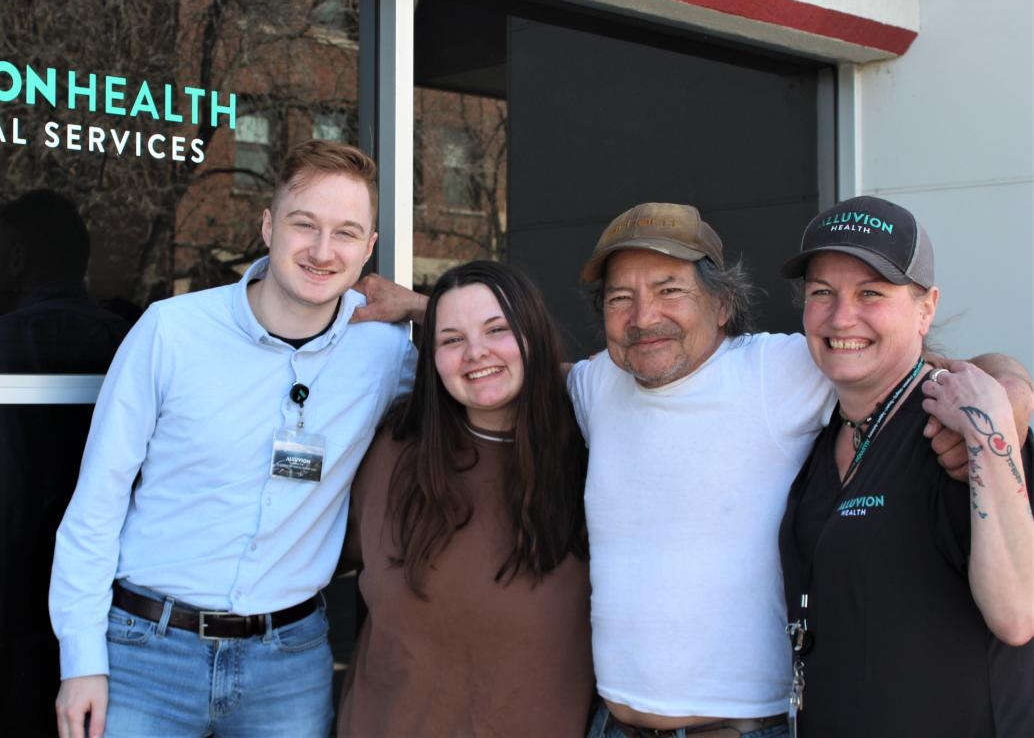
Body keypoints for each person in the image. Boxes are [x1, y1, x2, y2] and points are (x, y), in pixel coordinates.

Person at [353, 201, 1033, 738]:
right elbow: (513, 359)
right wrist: (425, 308)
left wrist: (1008, 390)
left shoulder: (778, 369)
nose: (644, 317)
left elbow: (900, 356)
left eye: (670, 288)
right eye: (621, 298)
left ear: (721, 303)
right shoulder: (596, 386)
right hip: (612, 725)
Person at [49, 140, 416, 738]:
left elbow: (503, 364)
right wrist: (81, 660)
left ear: (369, 248)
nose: (323, 251)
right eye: (305, 225)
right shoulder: (172, 331)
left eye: (346, 233)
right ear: (268, 225)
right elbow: (97, 502)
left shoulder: (386, 351)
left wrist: (421, 306)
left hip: (289, 664)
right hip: (147, 654)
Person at [777, 195, 1034, 736]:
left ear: (926, 308)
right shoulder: (823, 434)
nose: (842, 316)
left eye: (871, 293)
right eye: (822, 292)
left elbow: (1017, 617)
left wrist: (993, 430)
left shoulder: (965, 430)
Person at [336, 260, 593, 737]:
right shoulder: (392, 450)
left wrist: (419, 305)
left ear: (533, 335)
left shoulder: (591, 448)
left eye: (497, 329)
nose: (476, 352)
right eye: (451, 339)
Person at [0, 189, 131, 738]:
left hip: (23, 615)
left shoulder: (14, 337)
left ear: (18, 260)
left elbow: (3, 501)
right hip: (94, 606)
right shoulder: (120, 337)